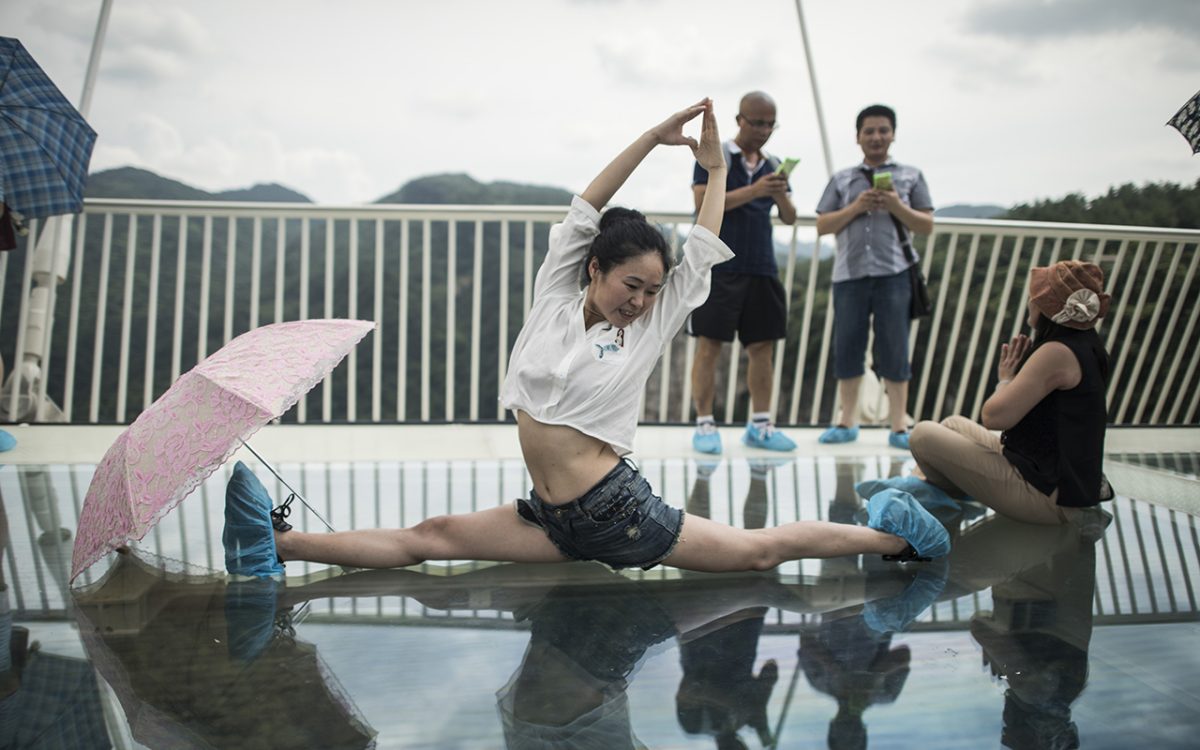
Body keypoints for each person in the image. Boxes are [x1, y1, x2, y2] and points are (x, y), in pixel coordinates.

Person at [222, 100, 950, 582]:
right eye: (629, 285)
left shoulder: (653, 321)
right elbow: (586, 205)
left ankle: (900, 540)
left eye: (652, 290)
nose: (640, 301)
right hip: (554, 514)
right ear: (594, 269)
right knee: (432, 534)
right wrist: (650, 139)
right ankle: (275, 549)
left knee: (760, 552)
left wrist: (717, 166)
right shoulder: (552, 298)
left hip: (619, 514)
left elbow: (701, 239)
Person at [857, 260, 1112, 525]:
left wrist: (1005, 380)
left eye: (1034, 297)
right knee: (952, 425)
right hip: (1046, 474)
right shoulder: (1087, 346)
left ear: (1047, 308)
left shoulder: (1056, 352)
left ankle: (920, 489)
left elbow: (994, 417)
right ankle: (925, 485)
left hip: (1048, 498)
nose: (1030, 302)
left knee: (922, 435)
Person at [815, 104, 934, 451]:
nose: (876, 137)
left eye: (883, 130)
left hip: (893, 273)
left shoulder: (911, 176)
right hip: (849, 275)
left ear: (893, 134)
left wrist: (896, 205)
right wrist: (856, 207)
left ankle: (899, 424)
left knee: (895, 347)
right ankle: (846, 420)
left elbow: (925, 224)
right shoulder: (842, 179)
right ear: (858, 137)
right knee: (847, 345)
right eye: (869, 131)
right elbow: (822, 224)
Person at [688, 91, 798, 455]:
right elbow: (703, 203)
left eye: (771, 124)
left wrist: (779, 192)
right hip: (719, 264)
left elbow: (789, 216)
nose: (765, 130)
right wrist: (755, 190)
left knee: (762, 347)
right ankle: (704, 424)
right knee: (709, 345)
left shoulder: (774, 164)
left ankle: (761, 425)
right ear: (740, 120)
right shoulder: (715, 156)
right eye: (758, 122)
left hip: (762, 265)